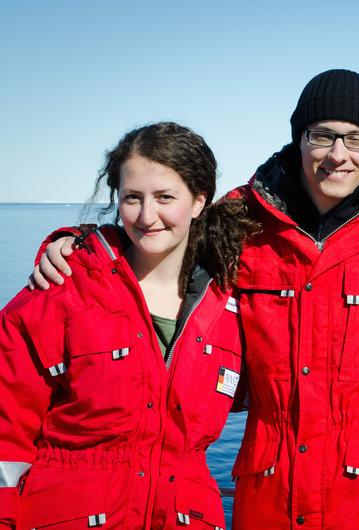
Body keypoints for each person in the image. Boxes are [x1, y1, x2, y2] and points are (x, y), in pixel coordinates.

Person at [31, 70, 359, 529]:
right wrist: (73, 245)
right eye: (322, 136)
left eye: (356, 139)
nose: (338, 155)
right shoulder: (240, 220)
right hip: (269, 495)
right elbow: (157, 233)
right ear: (299, 138)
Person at [0, 122, 256, 528]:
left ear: (198, 201)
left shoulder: (229, 307)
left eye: (165, 197)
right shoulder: (64, 287)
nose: (146, 216)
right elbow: (6, 424)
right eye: (132, 198)